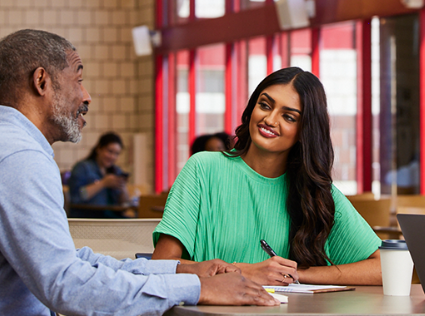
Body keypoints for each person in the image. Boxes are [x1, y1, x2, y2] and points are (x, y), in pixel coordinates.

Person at [0, 29, 278, 316]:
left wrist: (183, 273)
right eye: (78, 79)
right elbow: (67, 286)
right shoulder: (15, 156)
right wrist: (198, 290)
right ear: (42, 82)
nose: (86, 96)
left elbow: (73, 263)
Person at [151, 67, 384, 286]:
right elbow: (161, 265)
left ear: (304, 131)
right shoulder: (202, 169)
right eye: (265, 105)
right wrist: (242, 272)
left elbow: (384, 268)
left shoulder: (316, 192)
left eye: (289, 117)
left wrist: (294, 274)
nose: (270, 120)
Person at [66, 132, 131, 218]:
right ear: (99, 149)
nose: (112, 157)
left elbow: (125, 204)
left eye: (116, 154)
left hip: (111, 217)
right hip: (88, 217)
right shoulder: (83, 168)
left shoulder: (116, 171)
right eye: (110, 151)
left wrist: (122, 187)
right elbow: (77, 196)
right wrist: (103, 183)